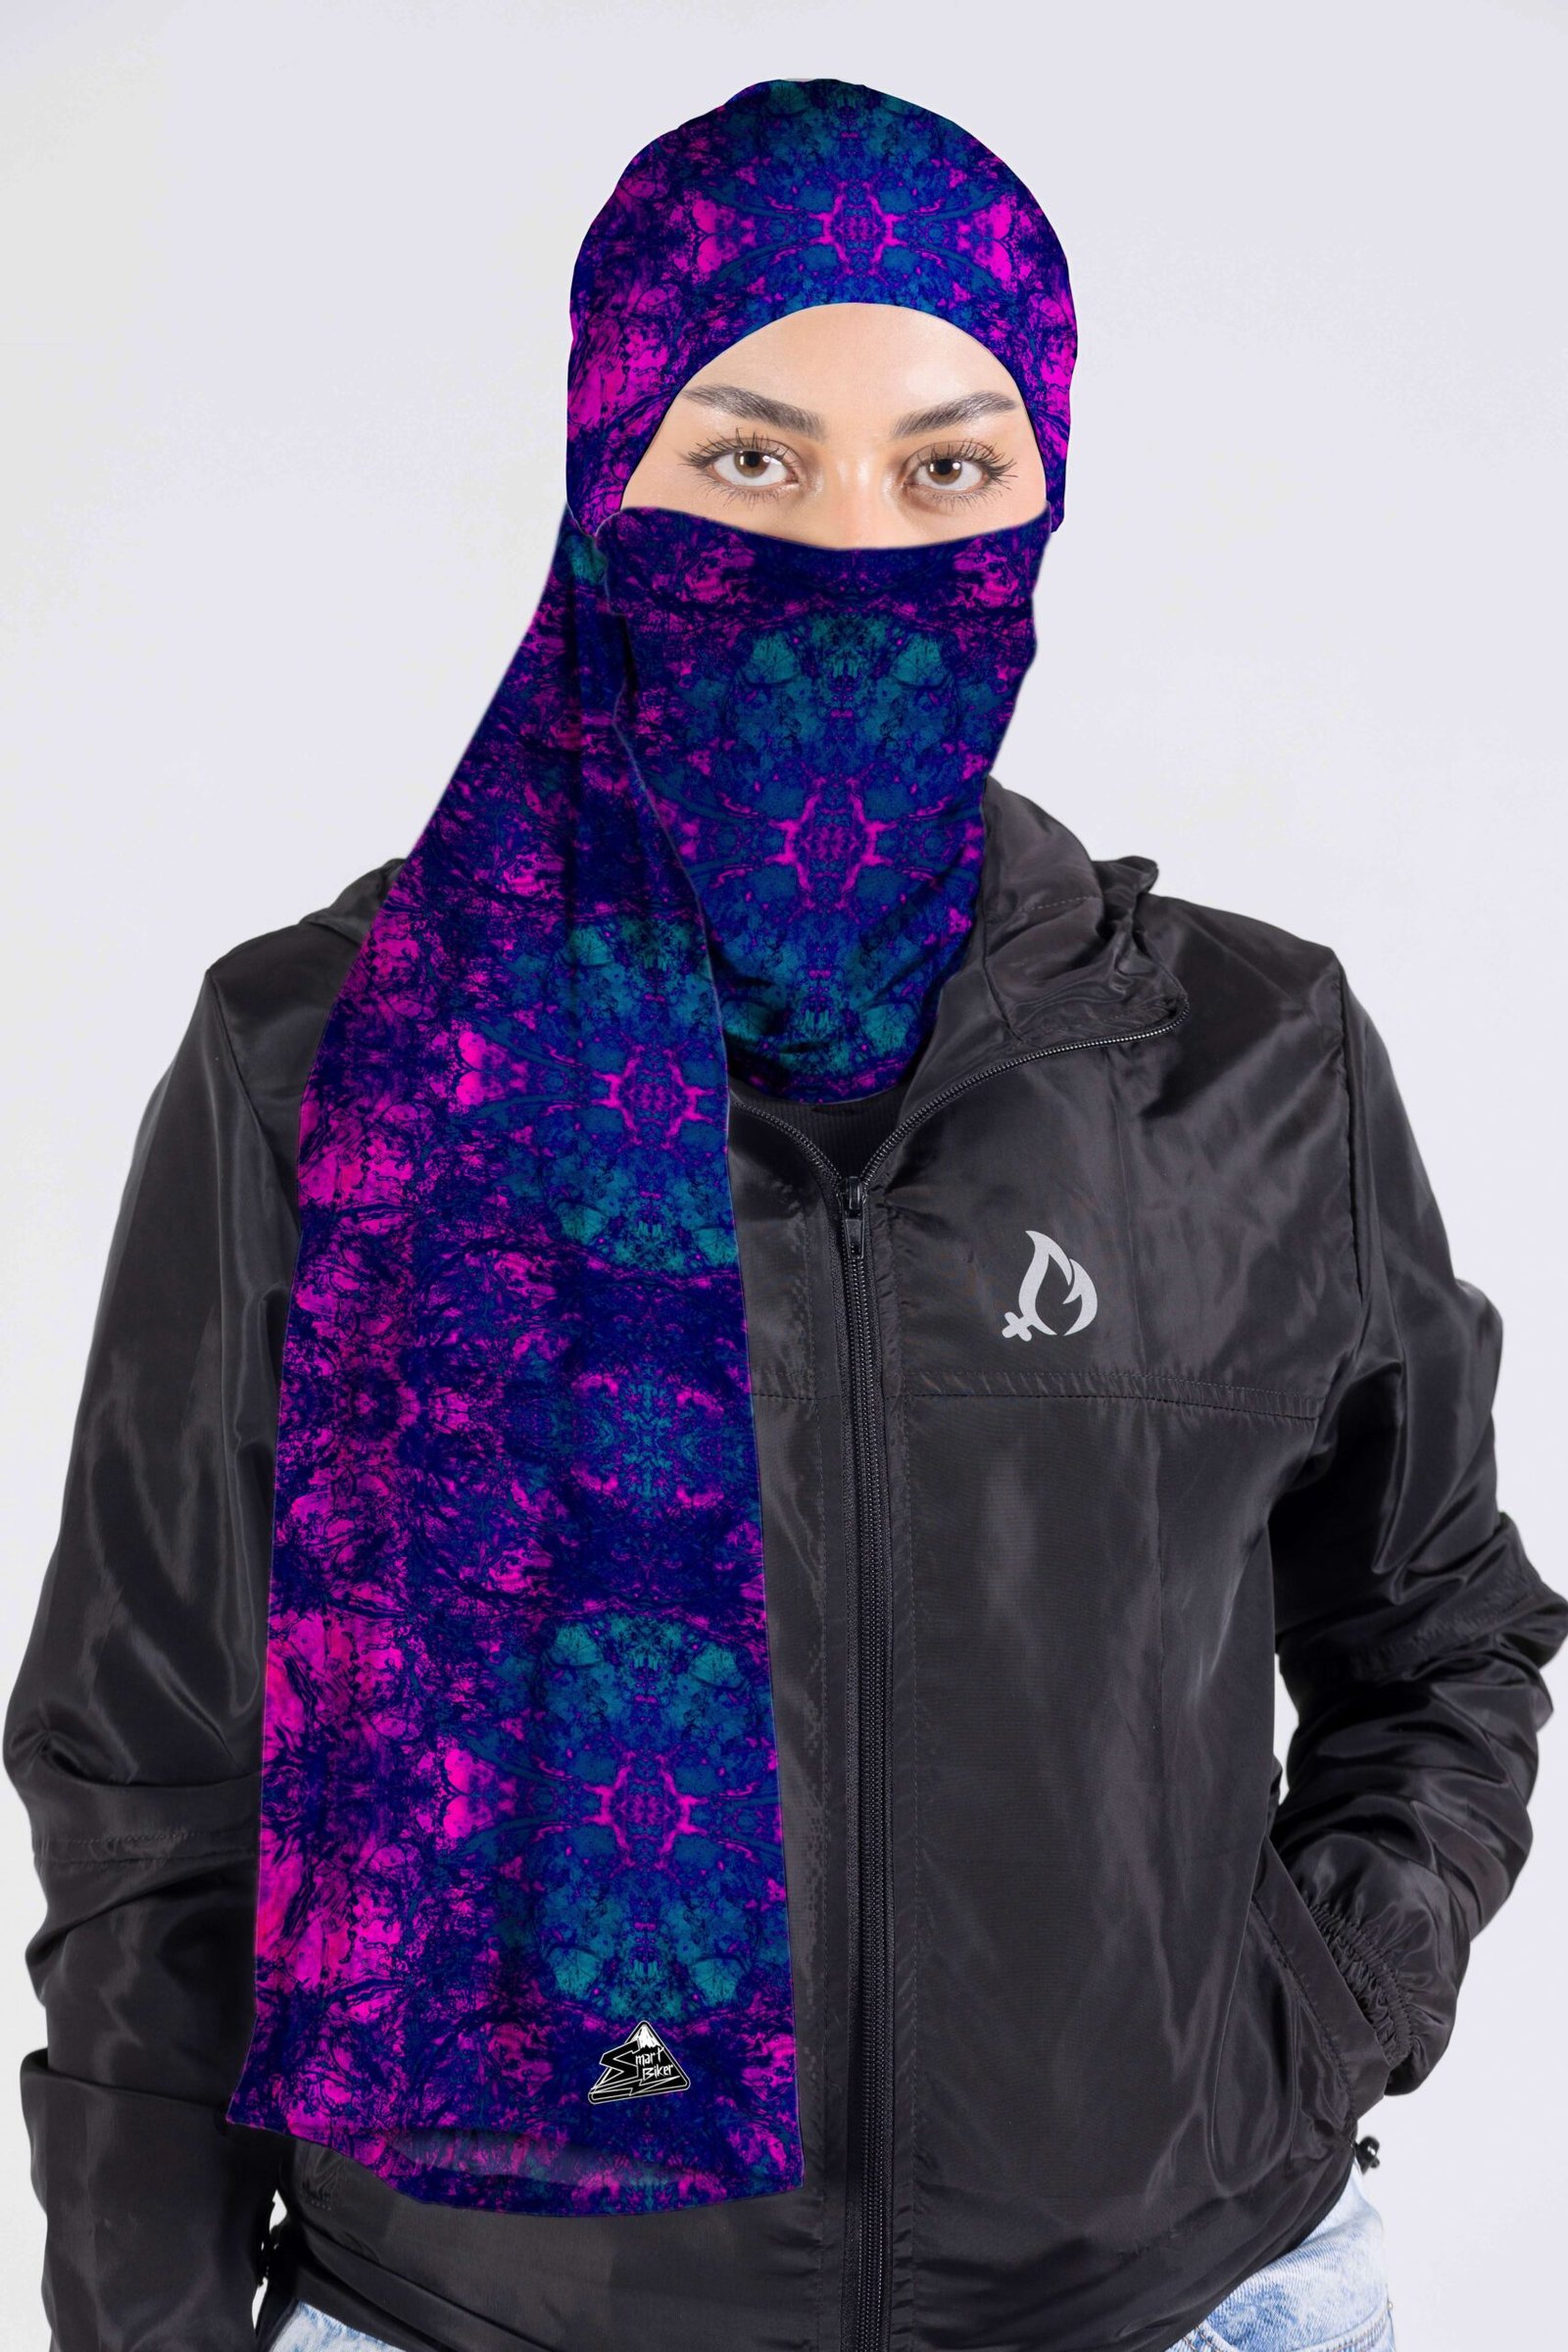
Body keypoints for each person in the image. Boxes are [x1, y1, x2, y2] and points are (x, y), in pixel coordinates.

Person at [6, 75, 1564, 2352]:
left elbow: (1430, 1631)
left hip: (1180, 2305)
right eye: (747, 460)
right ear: (602, 477)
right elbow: (153, 1773)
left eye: (944, 469)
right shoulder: (321, 1060)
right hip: (477, 2316)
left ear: (1041, 497)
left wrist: (1309, 2015)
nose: (851, 548)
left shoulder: (1252, 1058)